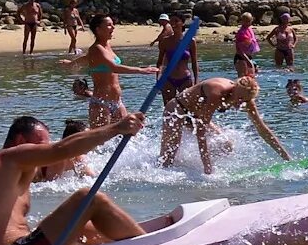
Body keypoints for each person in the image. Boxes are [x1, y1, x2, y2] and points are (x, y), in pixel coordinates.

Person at [0, 112, 161, 245]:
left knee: (82, 226)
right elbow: (62, 149)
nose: (44, 153)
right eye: (41, 145)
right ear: (20, 141)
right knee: (89, 198)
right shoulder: (11, 158)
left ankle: (123, 243)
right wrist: (117, 128)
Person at [161, 54, 291, 174]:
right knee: (167, 159)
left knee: (226, 145)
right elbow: (201, 129)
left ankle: (191, 168)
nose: (240, 104)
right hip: (177, 109)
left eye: (244, 101)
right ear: (235, 89)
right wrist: (207, 166)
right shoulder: (217, 93)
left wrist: (286, 158)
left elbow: (262, 129)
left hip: (196, 115)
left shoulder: (247, 99)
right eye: (239, 99)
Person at [62, 14, 159, 126]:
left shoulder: (106, 45)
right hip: (101, 103)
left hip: (117, 102)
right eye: (109, 25)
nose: (113, 27)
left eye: (113, 24)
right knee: (101, 142)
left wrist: (72, 63)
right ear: (98, 29)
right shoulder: (96, 48)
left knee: (128, 135)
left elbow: (87, 58)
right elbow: (114, 67)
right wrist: (142, 70)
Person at [153, 13, 199, 108]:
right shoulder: (165, 42)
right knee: (169, 109)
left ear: (182, 23)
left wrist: (196, 81)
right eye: (171, 21)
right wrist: (157, 80)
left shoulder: (190, 41)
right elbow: (159, 62)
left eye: (176, 21)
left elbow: (194, 62)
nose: (173, 23)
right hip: (168, 79)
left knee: (187, 109)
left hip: (185, 79)